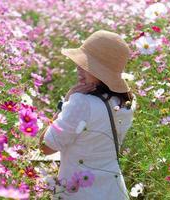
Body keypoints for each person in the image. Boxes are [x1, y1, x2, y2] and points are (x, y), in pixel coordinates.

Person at [39, 30, 137, 200]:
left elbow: (46, 147)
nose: (78, 68)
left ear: (101, 71)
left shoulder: (81, 103)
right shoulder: (127, 102)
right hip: (114, 192)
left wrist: (64, 104)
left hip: (79, 193)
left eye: (86, 65)